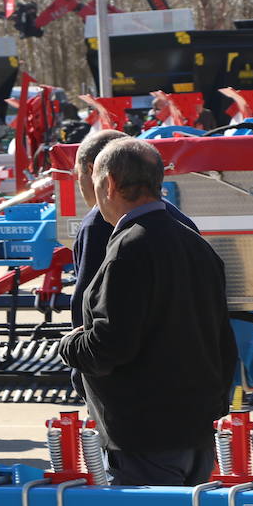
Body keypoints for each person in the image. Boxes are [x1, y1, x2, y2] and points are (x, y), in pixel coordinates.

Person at [59, 137, 236, 506]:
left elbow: (109, 344)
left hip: (147, 434)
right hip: (193, 428)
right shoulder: (194, 242)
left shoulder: (128, 248)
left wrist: (68, 346)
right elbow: (221, 337)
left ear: (110, 183)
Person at [68, 129, 199, 396]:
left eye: (78, 175)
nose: (79, 185)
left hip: (134, 397)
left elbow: (91, 311)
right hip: (191, 387)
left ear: (98, 173)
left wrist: (76, 361)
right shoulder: (184, 227)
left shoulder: (101, 226)